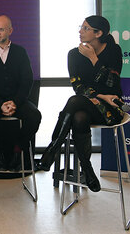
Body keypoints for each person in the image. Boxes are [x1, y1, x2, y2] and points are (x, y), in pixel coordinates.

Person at [37, 15, 124, 192]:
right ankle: (87, 170)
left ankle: (51, 151)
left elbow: (112, 84)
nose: (80, 31)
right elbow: (78, 86)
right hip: (86, 104)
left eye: (85, 28)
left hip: (110, 109)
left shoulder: (113, 51)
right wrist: (101, 95)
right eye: (81, 27)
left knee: (76, 106)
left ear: (98, 33)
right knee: (78, 116)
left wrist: (93, 59)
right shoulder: (73, 54)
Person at [0, 15, 41, 171]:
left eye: (1, 29)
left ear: (10, 31)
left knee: (34, 116)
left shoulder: (20, 52)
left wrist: (15, 102)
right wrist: (1, 104)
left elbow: (27, 81)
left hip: (17, 100)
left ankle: (18, 151)